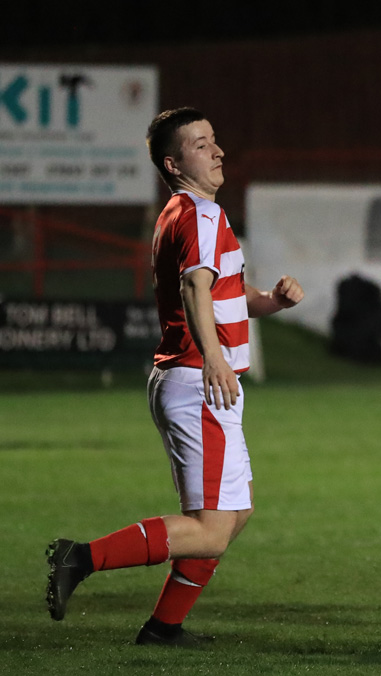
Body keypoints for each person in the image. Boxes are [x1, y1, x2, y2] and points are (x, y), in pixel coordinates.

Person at [45, 107, 305, 646]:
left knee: (235, 514)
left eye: (215, 140)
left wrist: (271, 301)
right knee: (211, 530)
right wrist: (213, 357)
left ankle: (164, 627)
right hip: (198, 381)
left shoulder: (184, 213)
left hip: (198, 379)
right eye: (201, 144)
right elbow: (193, 289)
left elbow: (224, 293)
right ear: (174, 163)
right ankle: (81, 558)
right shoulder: (200, 214)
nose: (218, 151)